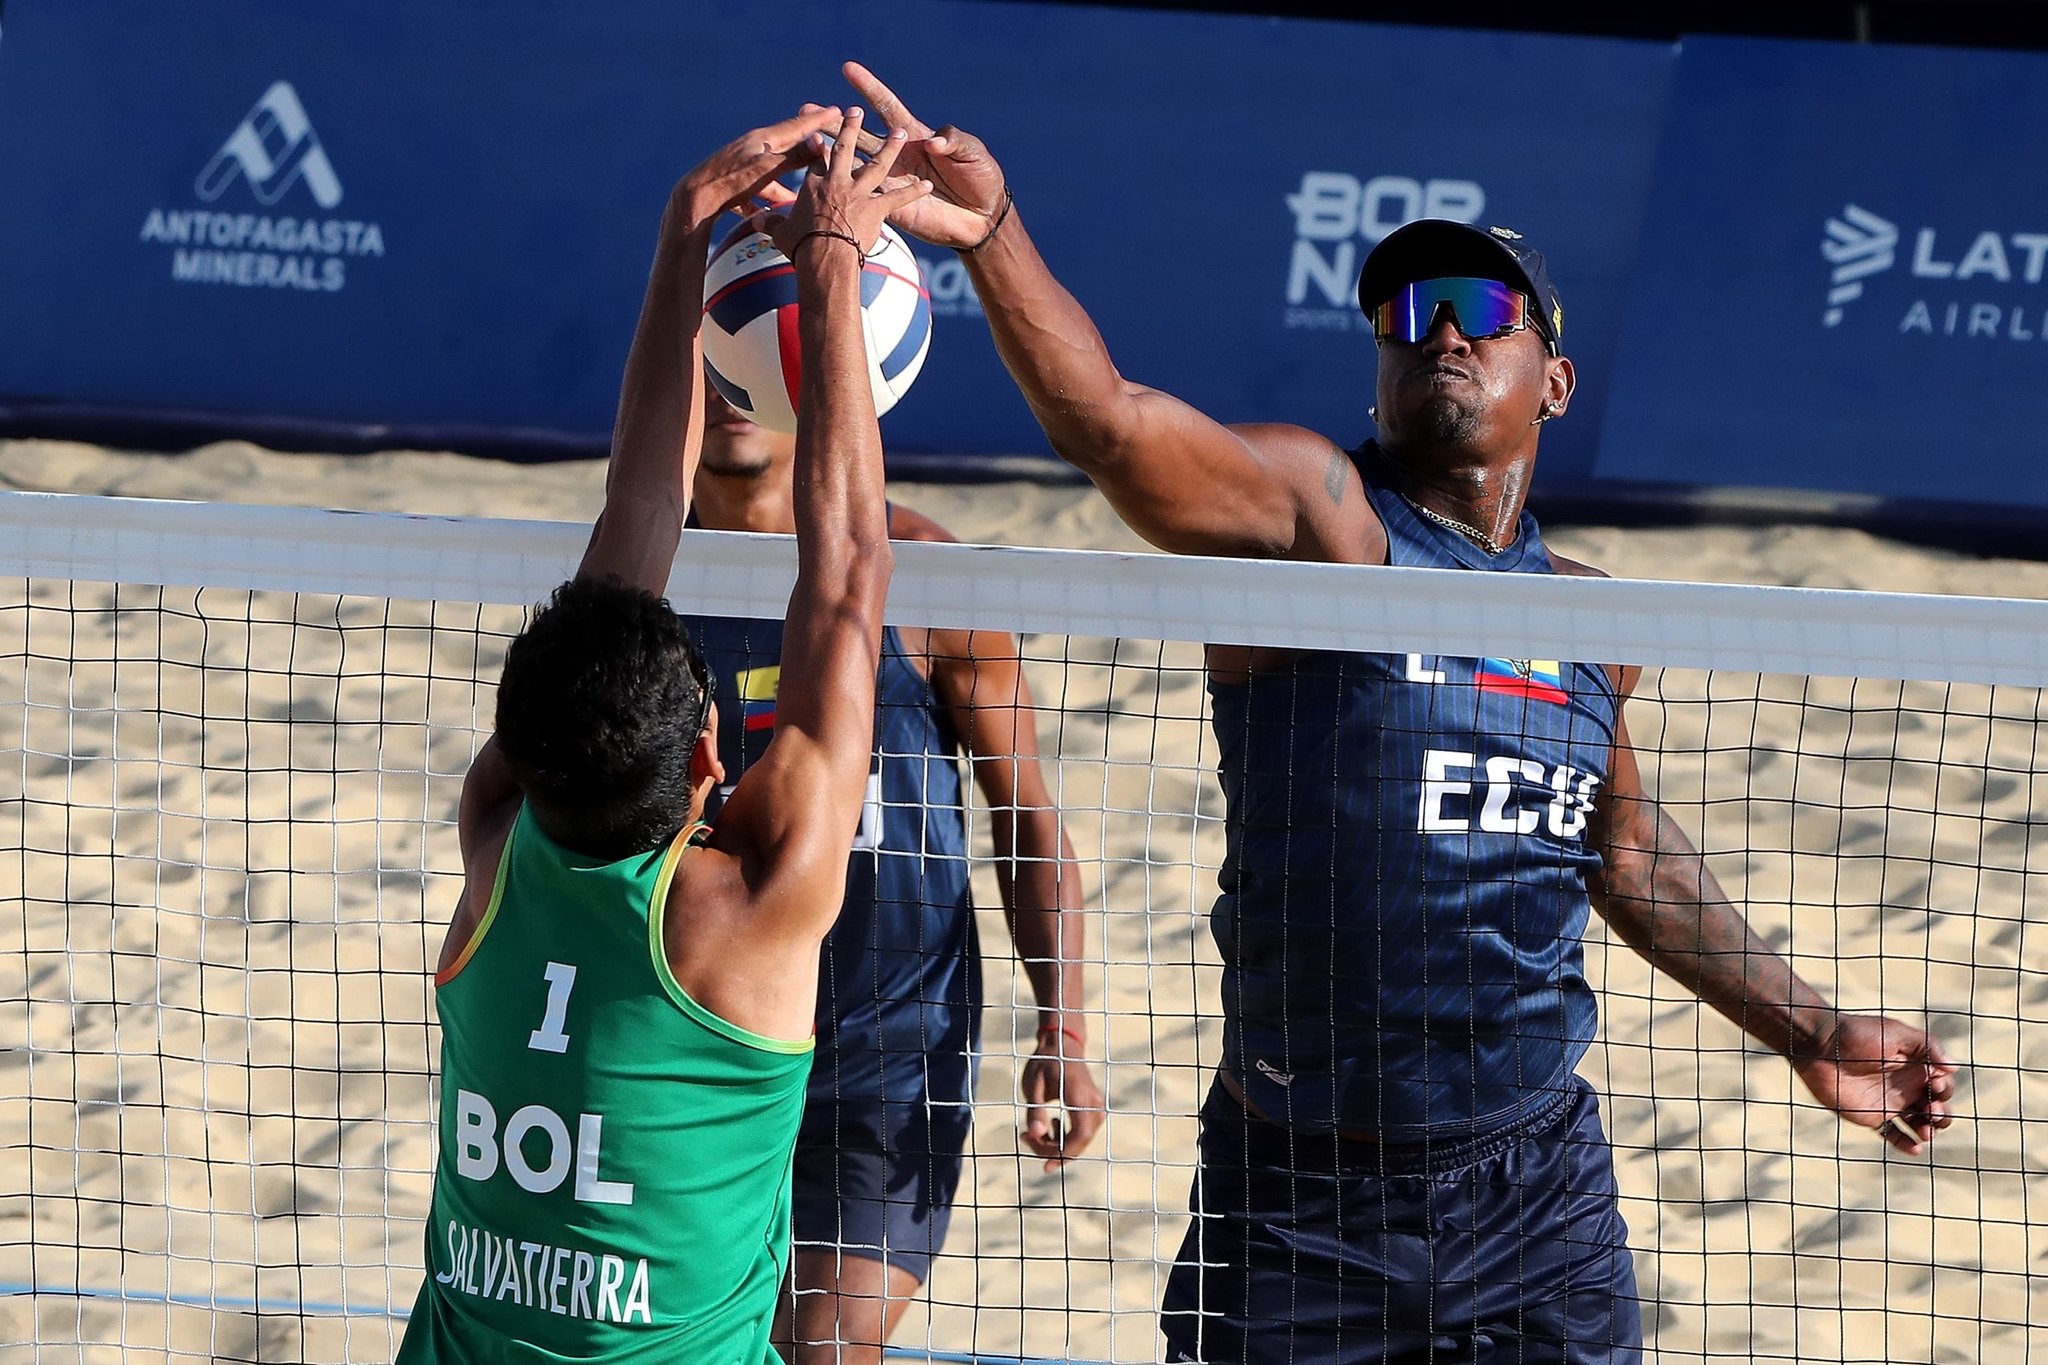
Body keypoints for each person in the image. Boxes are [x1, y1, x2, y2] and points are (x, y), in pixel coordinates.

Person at [833, 65, 1960, 1364]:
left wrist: (1812, 1027)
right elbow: (1110, 425)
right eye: (1410, 311)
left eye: (1482, 308)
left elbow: (1629, 856)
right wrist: (999, 233)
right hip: (1301, 1194)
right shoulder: (1323, 526)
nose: (1442, 332)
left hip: (1537, 1188)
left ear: (1556, 379)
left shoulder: (1587, 620)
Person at [396, 107, 933, 1362]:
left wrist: (688, 237)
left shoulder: (497, 846)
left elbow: (771, 570)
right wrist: (829, 277)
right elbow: (854, 567)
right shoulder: (740, 916)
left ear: (515, 759)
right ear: (709, 758)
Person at [679, 381, 1104, 1362]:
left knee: (823, 1346)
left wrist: (1063, 1025)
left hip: (891, 1051)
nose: (736, 400)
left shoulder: (922, 571)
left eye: (762, 368)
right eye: (716, 367)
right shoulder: (643, 580)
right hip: (695, 1040)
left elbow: (1026, 815)